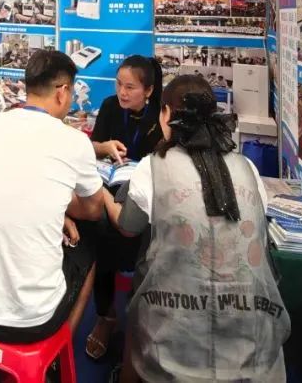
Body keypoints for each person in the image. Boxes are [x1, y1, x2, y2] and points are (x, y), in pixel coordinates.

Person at [103, 73, 287, 383]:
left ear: (166, 115)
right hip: (252, 340)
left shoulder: (153, 166)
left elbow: (129, 227)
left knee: (142, 272)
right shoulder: (247, 168)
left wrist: (103, 198)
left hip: (172, 343)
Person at [0, 50, 102, 347]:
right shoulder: (75, 141)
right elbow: (93, 210)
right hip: (36, 320)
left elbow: (13, 182)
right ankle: (57, 353)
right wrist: (63, 207)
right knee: (88, 256)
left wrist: (57, 209)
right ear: (62, 92)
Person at [85, 56, 164, 360]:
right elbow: (92, 148)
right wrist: (103, 148)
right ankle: (106, 316)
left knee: (144, 236)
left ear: (149, 90)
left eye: (130, 87)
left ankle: (143, 317)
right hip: (108, 185)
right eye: (119, 84)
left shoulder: (160, 116)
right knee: (99, 230)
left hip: (146, 195)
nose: (122, 92)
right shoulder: (109, 107)